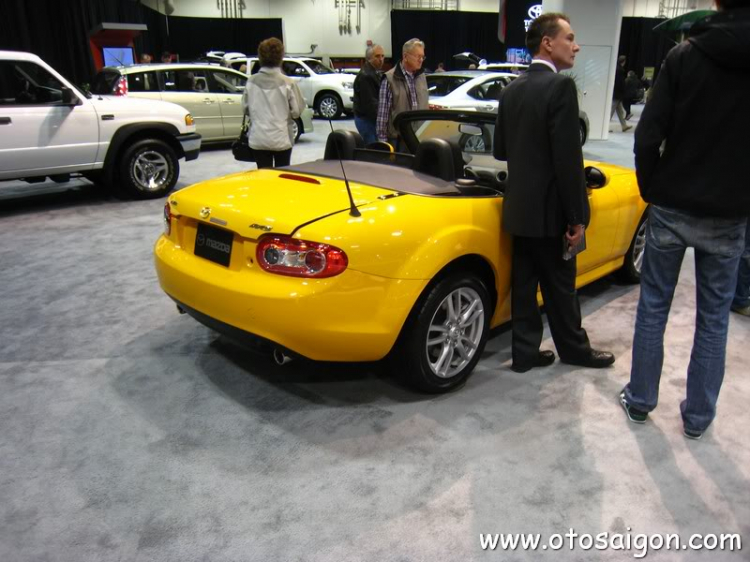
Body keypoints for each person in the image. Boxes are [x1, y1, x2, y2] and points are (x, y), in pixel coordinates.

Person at [619, 0, 750, 440]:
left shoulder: (684, 55)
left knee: (654, 307)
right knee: (714, 318)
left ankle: (640, 400)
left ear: (716, 3)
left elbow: (648, 133)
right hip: (729, 212)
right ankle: (698, 417)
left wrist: (651, 188)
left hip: (673, 203)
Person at [493, 13, 615, 374]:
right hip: (551, 211)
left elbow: (501, 149)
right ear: (548, 42)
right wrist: (577, 217)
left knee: (526, 286)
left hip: (518, 208)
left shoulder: (511, 89)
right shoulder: (560, 88)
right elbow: (567, 159)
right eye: (569, 38)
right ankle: (575, 350)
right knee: (562, 287)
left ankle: (525, 353)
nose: (575, 45)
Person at [241, 37, 304, 169]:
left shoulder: (251, 82)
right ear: (281, 56)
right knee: (282, 177)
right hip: (282, 139)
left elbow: (245, 109)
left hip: (258, 139)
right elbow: (296, 112)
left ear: (260, 57)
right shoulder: (288, 83)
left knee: (264, 178)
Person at [376, 38, 429, 150]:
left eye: (422, 57)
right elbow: (382, 115)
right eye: (417, 56)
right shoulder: (389, 79)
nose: (421, 60)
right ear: (405, 57)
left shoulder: (422, 77)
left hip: (419, 138)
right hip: (398, 141)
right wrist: (383, 144)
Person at [353, 44, 385, 146]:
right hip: (366, 120)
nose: (381, 59)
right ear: (369, 58)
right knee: (374, 150)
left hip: (369, 119)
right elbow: (371, 104)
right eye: (377, 56)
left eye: (382, 56)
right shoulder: (366, 76)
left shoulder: (373, 73)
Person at [611, 55, 632, 132]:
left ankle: (624, 126)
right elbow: (620, 83)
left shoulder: (616, 69)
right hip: (618, 93)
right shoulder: (620, 70)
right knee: (611, 110)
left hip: (616, 93)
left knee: (620, 111)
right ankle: (604, 127)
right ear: (623, 62)